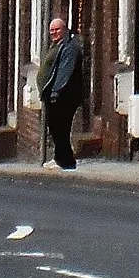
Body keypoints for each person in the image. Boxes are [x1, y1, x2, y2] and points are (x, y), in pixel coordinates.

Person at [37, 16, 87, 172]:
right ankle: (62, 158)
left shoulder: (70, 47)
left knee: (61, 128)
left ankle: (64, 160)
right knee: (56, 127)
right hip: (55, 94)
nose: (54, 33)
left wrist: (55, 92)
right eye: (52, 30)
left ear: (64, 29)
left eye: (57, 29)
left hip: (64, 95)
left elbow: (65, 72)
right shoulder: (57, 45)